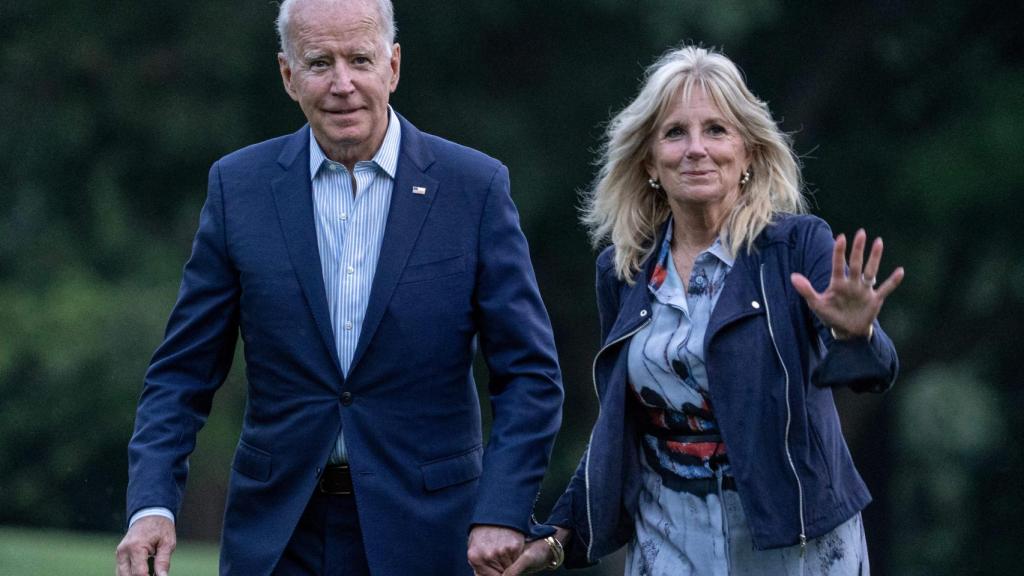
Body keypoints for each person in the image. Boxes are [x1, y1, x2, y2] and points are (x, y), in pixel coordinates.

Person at [114, 0, 564, 574]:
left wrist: (503, 509)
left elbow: (530, 374)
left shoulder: (473, 189)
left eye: (360, 59)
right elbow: (180, 373)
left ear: (393, 66)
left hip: (429, 532)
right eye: (320, 62)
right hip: (277, 535)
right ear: (288, 75)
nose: (342, 84)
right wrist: (151, 505)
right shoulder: (239, 189)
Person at [505, 45, 904, 575]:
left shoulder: (796, 248)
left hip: (793, 544)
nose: (696, 149)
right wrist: (560, 536)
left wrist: (856, 334)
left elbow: (868, 372)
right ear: (649, 160)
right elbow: (620, 428)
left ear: (749, 153)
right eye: (675, 133)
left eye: (716, 130)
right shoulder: (622, 271)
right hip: (668, 540)